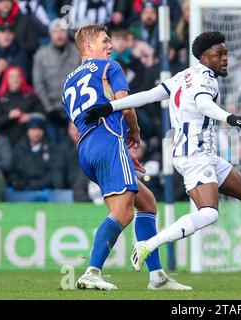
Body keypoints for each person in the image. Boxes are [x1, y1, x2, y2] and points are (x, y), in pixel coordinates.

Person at [84, 31, 241, 273]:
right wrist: (230, 118)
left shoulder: (184, 75)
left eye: (226, 53)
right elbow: (203, 103)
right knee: (208, 214)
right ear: (204, 58)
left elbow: (151, 95)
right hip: (193, 155)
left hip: (204, 154)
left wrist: (111, 106)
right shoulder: (207, 80)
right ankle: (147, 246)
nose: (225, 58)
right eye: (219, 54)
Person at [62, 24, 190, 291]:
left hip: (87, 148)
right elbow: (125, 104)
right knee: (123, 212)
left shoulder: (68, 82)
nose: (110, 46)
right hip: (107, 140)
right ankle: (92, 271)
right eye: (104, 41)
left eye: (110, 41)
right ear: (88, 47)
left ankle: (157, 277)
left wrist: (119, 152)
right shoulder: (110, 67)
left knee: (147, 203)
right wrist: (134, 132)